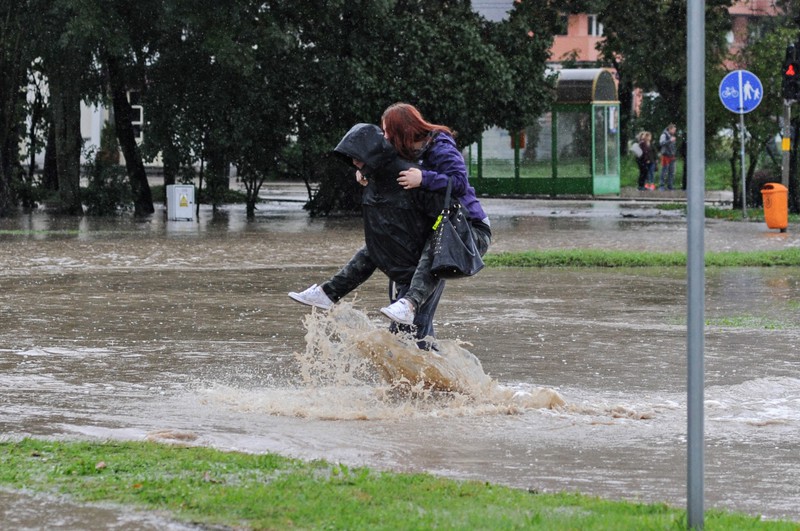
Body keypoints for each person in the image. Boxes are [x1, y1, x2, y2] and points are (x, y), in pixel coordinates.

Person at [288, 122, 447, 345]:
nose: (354, 162)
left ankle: (442, 373)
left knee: (411, 338)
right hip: (399, 263)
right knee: (407, 339)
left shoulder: (409, 176)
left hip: (419, 268)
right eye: (351, 157)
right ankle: (328, 293)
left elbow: (440, 215)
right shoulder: (376, 177)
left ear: (371, 152)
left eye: (357, 156)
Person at [378, 103, 491, 326]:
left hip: (467, 227)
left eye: (387, 131)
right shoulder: (406, 151)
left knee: (414, 324)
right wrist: (363, 171)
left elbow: (460, 182)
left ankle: (410, 304)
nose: (385, 137)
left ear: (402, 131)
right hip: (428, 227)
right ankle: (330, 292)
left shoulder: (440, 146)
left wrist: (424, 179)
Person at [658, 123, 677, 191]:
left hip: (672, 156)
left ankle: (670, 186)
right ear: (670, 129)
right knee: (664, 171)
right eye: (674, 130)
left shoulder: (672, 136)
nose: (674, 131)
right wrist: (670, 140)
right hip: (665, 155)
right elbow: (661, 143)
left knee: (671, 172)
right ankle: (661, 185)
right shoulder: (664, 135)